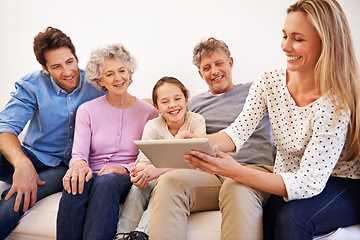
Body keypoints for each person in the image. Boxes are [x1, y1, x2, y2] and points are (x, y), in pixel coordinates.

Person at [178, 0, 360, 239]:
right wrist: (200, 141)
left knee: (292, 219)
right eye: (284, 35)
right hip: (287, 176)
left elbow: (309, 182)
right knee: (263, 217)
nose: (286, 46)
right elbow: (237, 133)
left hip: (339, 181)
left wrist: (236, 171)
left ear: (325, 42)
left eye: (298, 38)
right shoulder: (269, 82)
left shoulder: (335, 102)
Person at [148, 38, 276, 240]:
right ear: (200, 74)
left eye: (219, 64)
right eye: (207, 67)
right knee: (169, 182)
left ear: (230, 63)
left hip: (252, 169)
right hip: (211, 174)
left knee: (235, 186)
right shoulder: (194, 104)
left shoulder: (255, 91)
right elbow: (171, 128)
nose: (214, 71)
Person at [0, 27, 105, 239]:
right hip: (35, 155)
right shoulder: (31, 85)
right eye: (56, 66)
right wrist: (22, 164)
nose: (67, 72)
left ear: (76, 57)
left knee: (17, 198)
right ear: (44, 68)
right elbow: (6, 128)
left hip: (65, 167)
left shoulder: (97, 85)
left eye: (69, 62)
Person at [56, 43, 158, 240]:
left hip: (125, 178)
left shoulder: (149, 113)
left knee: (107, 181)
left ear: (130, 72)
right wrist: (78, 165)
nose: (118, 78)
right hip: (94, 174)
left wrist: (124, 168)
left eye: (122, 71)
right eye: (109, 74)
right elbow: (79, 154)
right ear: (100, 80)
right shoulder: (87, 110)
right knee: (74, 182)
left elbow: (149, 158)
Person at [115, 76, 206, 240]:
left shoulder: (196, 121)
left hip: (184, 179)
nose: (172, 105)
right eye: (165, 102)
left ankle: (142, 233)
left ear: (186, 99)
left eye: (177, 98)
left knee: (165, 183)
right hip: (155, 177)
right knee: (138, 188)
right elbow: (142, 162)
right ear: (156, 107)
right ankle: (122, 235)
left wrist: (158, 170)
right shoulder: (153, 126)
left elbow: (198, 163)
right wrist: (139, 175)